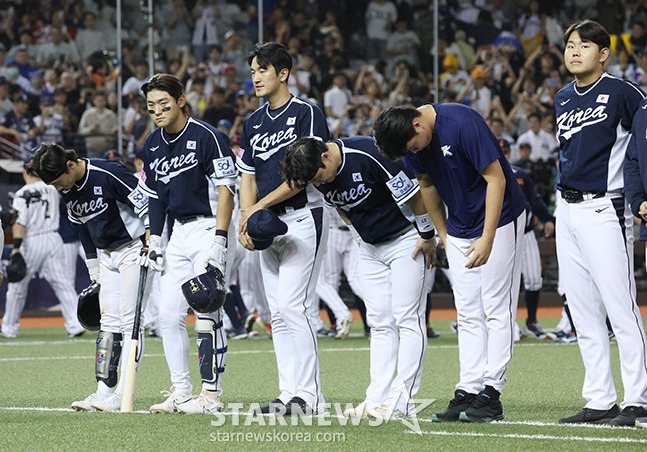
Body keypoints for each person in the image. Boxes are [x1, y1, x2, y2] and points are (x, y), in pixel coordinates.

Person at [373, 103, 526, 423]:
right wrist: (443, 234)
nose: (414, 151)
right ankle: (469, 388)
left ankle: (491, 392)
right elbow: (426, 184)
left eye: (412, 145)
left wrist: (487, 238)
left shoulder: (462, 123)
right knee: (468, 310)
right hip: (457, 226)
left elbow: (496, 179)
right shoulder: (411, 139)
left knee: (497, 307)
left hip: (499, 220)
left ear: (417, 124)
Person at [280, 135, 435, 419]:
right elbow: (340, 206)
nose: (319, 184)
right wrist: (357, 237)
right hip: (370, 247)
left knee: (407, 318)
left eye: (317, 177)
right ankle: (376, 399)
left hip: (406, 240)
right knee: (379, 322)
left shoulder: (367, 152)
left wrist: (427, 234)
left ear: (326, 157)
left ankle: (403, 399)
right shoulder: (321, 176)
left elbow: (412, 193)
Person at [554, 19, 647, 427]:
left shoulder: (625, 94)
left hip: (605, 208)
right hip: (567, 209)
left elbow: (641, 147)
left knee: (620, 307)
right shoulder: (561, 98)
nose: (574, 51)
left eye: (584, 45)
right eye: (570, 45)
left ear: (604, 53)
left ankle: (639, 400)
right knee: (583, 311)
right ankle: (599, 398)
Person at [236, 42, 329, 415]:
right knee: (278, 311)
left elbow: (305, 173)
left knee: (295, 306)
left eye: (262, 70)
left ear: (283, 73)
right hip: (266, 222)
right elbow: (246, 174)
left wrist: (257, 206)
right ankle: (288, 391)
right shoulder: (252, 122)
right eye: (253, 71)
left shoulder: (307, 112)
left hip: (304, 215)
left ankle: (309, 397)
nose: (255, 77)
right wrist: (246, 216)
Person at [26, 142, 152, 412]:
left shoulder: (107, 172)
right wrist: (94, 268)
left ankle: (123, 392)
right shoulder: (67, 187)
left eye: (59, 182)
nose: (59, 188)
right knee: (108, 322)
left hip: (134, 248)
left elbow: (148, 206)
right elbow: (82, 229)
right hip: (107, 255)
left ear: (70, 165)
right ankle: (103, 391)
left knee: (131, 321)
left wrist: (151, 245)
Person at [139, 73, 237, 415]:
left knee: (207, 309)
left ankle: (210, 395)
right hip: (178, 233)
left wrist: (221, 241)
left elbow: (227, 189)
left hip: (210, 225)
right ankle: (180, 392)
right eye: (151, 107)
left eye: (164, 105)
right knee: (167, 314)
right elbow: (154, 196)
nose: (157, 112)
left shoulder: (209, 136)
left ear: (181, 100)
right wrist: (154, 239)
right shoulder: (152, 144)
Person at [0, 165, 85, 339]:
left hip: (32, 240)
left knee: (17, 287)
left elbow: (19, 223)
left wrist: (16, 248)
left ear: (25, 172)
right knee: (63, 284)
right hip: (54, 237)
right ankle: (75, 324)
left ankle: (9, 328)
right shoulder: (51, 188)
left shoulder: (22, 193)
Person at [501, 138, 556, 339]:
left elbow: (535, 200)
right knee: (504, 282)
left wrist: (548, 218)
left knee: (534, 280)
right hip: (502, 235)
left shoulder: (520, 175)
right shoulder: (484, 173)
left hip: (526, 234)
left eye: (506, 152)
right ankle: (508, 323)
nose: (503, 155)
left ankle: (531, 321)